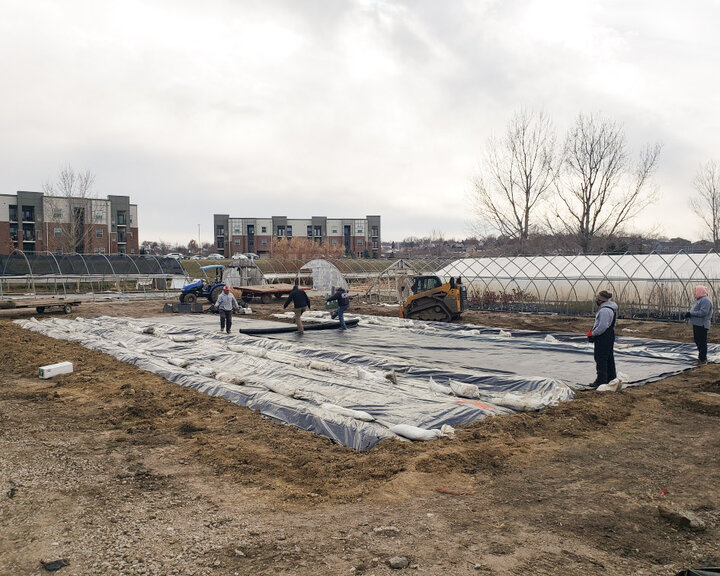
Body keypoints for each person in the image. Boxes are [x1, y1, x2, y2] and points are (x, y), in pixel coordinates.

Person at [586, 290, 618, 388]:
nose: (596, 300)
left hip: (603, 336)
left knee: (601, 358)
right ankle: (611, 378)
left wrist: (593, 333)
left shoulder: (604, 310)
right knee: (608, 357)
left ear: (600, 300)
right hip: (609, 335)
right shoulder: (611, 308)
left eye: (597, 299)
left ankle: (601, 380)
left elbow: (602, 326)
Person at [685, 285, 713, 365]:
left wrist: (691, 313)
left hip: (702, 325)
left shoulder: (705, 300)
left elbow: (703, 312)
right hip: (697, 324)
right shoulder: (699, 300)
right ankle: (701, 358)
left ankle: (702, 360)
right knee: (698, 340)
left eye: (696, 291)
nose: (694, 293)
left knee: (701, 342)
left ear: (700, 291)